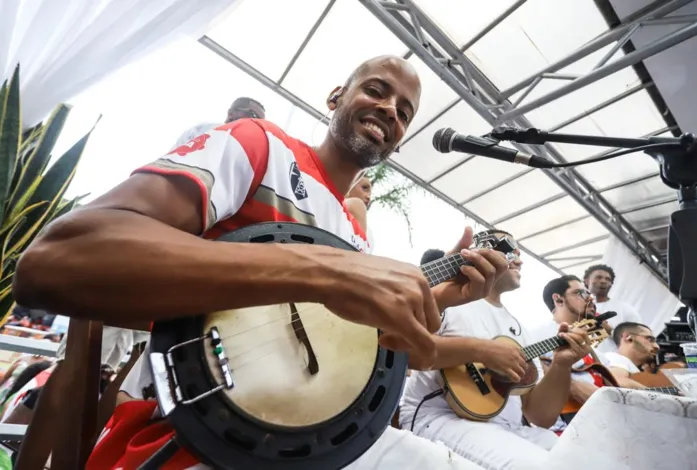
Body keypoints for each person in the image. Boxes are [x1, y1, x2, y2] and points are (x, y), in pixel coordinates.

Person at [14, 55, 509, 470]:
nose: (389, 111)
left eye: (404, 111)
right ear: (336, 97)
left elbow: (352, 350)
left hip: (306, 442)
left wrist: (438, 295)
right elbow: (60, 260)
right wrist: (324, 272)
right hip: (198, 428)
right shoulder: (259, 145)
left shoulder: (356, 240)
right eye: (377, 91)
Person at [400, 230, 591, 470]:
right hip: (440, 417)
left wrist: (562, 364)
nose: (520, 261)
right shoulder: (447, 298)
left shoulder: (519, 329)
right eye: (511, 251)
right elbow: (406, 353)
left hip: (508, 429)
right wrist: (481, 350)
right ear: (481, 250)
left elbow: (539, 417)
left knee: (586, 460)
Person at [534, 275, 609, 433]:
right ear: (558, 300)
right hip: (565, 431)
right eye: (580, 293)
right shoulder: (538, 335)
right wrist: (573, 387)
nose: (590, 298)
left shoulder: (594, 347)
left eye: (589, 294)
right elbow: (533, 371)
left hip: (600, 423)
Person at [583, 264, 642, 354]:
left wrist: (611, 331)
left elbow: (639, 339)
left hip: (613, 364)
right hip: (580, 362)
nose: (603, 281)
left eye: (608, 279)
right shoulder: (577, 308)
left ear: (611, 284)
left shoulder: (625, 309)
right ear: (587, 281)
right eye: (598, 277)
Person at [173, 96, 266, 147]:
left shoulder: (248, 152)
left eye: (260, 122)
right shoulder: (203, 131)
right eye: (253, 116)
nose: (255, 123)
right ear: (231, 113)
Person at [603, 322, 660, 389]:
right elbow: (618, 382)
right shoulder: (616, 358)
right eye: (649, 339)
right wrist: (658, 394)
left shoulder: (625, 363)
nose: (657, 346)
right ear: (628, 337)